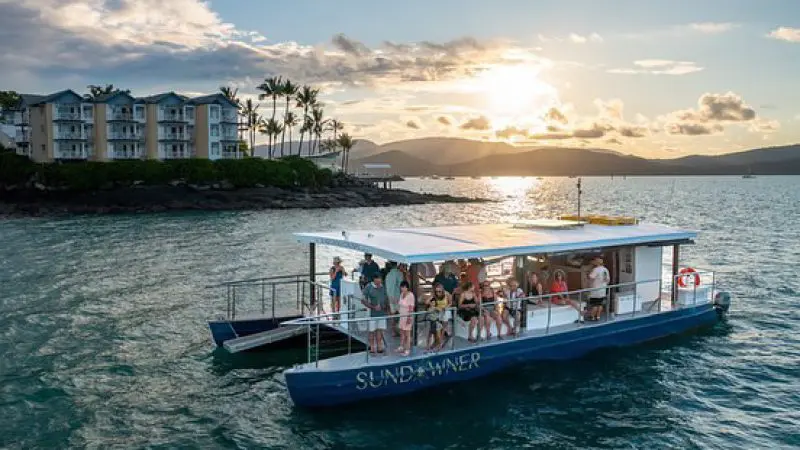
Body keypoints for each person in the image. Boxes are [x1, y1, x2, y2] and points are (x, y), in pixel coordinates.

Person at [361, 273, 389, 354]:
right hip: (371, 314)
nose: (380, 280)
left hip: (382, 313)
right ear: (374, 279)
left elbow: (386, 298)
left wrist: (386, 308)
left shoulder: (383, 287)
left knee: (380, 330)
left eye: (380, 279)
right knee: (371, 331)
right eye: (378, 279)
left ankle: (379, 347)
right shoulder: (368, 287)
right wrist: (373, 307)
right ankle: (372, 347)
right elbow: (363, 300)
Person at [425, 283, 450, 350]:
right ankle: (436, 343)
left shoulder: (446, 294)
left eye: (439, 291)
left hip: (443, 312)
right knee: (434, 332)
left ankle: (440, 343)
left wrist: (446, 307)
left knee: (442, 330)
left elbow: (450, 303)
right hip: (436, 314)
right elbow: (426, 302)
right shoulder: (434, 295)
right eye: (436, 291)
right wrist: (432, 302)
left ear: (442, 290)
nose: (438, 292)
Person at [384, 261, 404, 337]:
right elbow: (401, 286)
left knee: (392, 314)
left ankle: (393, 331)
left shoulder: (388, 275)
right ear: (397, 264)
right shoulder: (399, 274)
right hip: (398, 297)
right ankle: (401, 331)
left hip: (390, 297)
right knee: (401, 314)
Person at [587, 256, 610, 321]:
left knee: (594, 305)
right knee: (600, 304)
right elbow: (608, 281)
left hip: (595, 291)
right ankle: (598, 316)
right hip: (603, 290)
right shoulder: (605, 270)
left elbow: (591, 277)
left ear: (596, 262)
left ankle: (592, 317)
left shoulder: (596, 270)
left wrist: (588, 274)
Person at [396, 280, 415, 356]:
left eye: (404, 287)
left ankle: (407, 349)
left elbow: (411, 307)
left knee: (407, 334)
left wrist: (409, 317)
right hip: (401, 316)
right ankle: (401, 346)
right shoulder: (401, 294)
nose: (402, 288)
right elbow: (400, 304)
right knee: (402, 332)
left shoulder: (411, 295)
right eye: (401, 287)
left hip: (407, 316)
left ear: (407, 287)